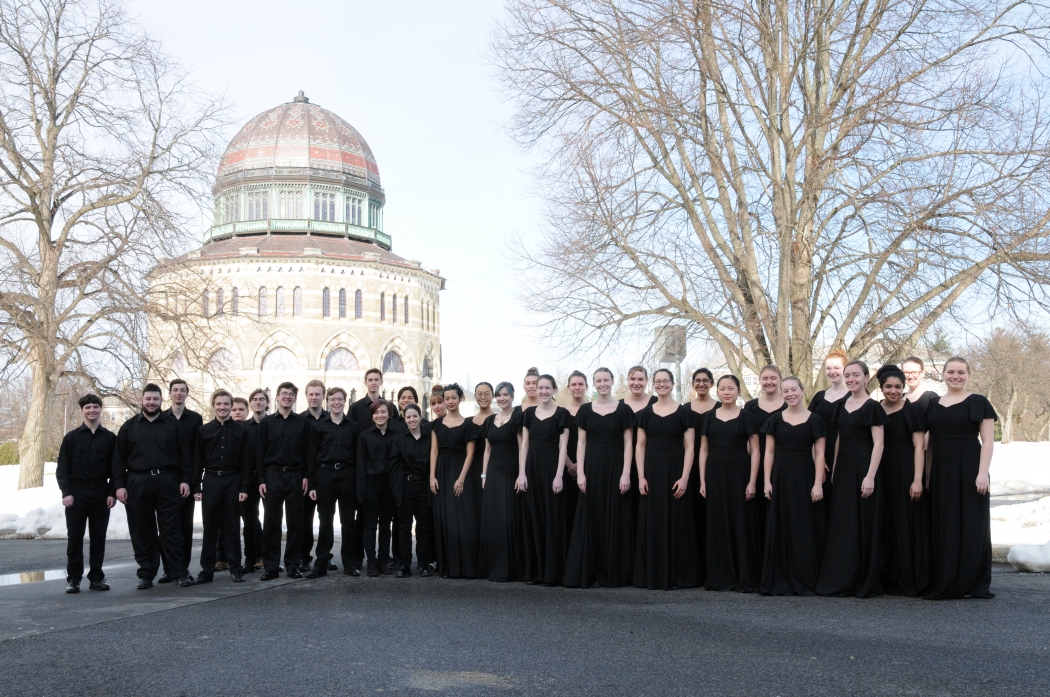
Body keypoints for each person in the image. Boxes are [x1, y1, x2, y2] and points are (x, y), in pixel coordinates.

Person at [924, 357, 996, 600]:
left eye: (961, 372)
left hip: (970, 469)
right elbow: (930, 444)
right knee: (945, 523)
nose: (956, 376)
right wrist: (927, 475)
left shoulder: (979, 402)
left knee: (970, 525)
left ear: (968, 375)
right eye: (951, 372)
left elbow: (987, 440)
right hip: (941, 471)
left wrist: (982, 473)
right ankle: (945, 576)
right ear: (943, 374)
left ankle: (970, 580)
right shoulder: (933, 404)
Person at [817, 360, 888, 598]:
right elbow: (838, 439)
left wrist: (870, 476)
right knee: (844, 522)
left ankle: (863, 578)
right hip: (845, 468)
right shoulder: (841, 405)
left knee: (863, 522)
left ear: (866, 377)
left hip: (864, 467)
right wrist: (836, 468)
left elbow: (879, 443)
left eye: (856, 375)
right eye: (847, 375)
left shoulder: (873, 407)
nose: (850, 379)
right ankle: (843, 575)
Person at [113, 383, 194, 589]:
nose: (151, 402)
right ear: (141, 400)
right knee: (142, 530)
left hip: (168, 482)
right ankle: (146, 574)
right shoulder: (129, 427)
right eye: (148, 399)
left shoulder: (174, 425)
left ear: (161, 401)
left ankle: (179, 572)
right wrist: (119, 486)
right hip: (137, 483)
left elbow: (185, 455)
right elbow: (119, 460)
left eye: (155, 399)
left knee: (172, 530)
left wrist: (185, 480)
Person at [563, 368, 634, 588]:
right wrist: (581, 473)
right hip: (592, 469)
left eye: (606, 380)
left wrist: (625, 473)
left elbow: (629, 443)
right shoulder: (585, 410)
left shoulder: (624, 409)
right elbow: (581, 443)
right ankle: (591, 572)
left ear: (613, 382)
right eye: (598, 380)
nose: (602, 384)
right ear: (593, 384)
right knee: (591, 519)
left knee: (614, 517)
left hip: (615, 468)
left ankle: (613, 573)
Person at [760, 376, 827, 596]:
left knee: (803, 526)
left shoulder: (815, 420)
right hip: (780, 477)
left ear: (802, 390)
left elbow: (819, 454)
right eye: (785, 391)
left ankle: (804, 577)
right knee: (781, 525)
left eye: (793, 390)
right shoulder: (775, 420)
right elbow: (768, 452)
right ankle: (780, 578)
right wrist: (767, 481)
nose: (789, 394)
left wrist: (818, 483)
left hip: (805, 477)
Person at [633, 368, 698, 590]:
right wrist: (641, 477)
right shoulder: (645, 414)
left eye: (665, 381)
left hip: (676, 473)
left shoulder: (684, 413)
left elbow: (690, 447)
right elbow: (640, 446)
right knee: (652, 521)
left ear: (672, 383)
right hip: (651, 473)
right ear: (654, 384)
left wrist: (685, 477)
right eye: (658, 381)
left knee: (677, 521)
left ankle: (678, 575)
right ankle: (652, 574)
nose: (662, 384)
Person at [699, 375, 761, 592]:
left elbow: (755, 451)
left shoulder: (747, 416)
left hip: (740, 473)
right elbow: (703, 450)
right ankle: (719, 577)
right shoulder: (708, 417)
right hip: (715, 474)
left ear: (738, 391)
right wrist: (702, 480)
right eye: (722, 388)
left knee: (740, 522)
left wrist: (752, 481)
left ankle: (742, 576)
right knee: (717, 522)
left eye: (731, 388)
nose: (726, 392)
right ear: (717, 391)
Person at [877, 365, 929, 597]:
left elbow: (920, 447)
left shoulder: (913, 410)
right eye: (888, 386)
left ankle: (906, 577)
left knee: (904, 523)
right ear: (881, 388)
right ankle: (886, 577)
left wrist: (917, 479)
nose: (893, 391)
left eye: (898, 386)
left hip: (905, 471)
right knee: (885, 522)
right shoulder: (876, 409)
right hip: (881, 472)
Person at [58, 394, 117, 593]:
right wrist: (66, 492)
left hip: (101, 491)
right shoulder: (71, 438)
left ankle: (96, 577)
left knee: (98, 537)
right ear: (82, 410)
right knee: (75, 537)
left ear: (101, 409)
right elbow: (63, 468)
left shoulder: (110, 438)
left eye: (95, 407)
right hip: (77, 492)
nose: (92, 410)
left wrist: (112, 492)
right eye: (88, 407)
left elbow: (116, 468)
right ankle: (73, 578)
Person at [192, 390, 251, 584]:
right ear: (213, 405)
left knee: (232, 525)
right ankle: (206, 570)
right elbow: (198, 461)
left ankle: (236, 568)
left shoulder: (241, 431)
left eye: (226, 404)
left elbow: (245, 462)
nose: (222, 407)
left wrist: (244, 487)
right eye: (219, 404)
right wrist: (196, 487)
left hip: (233, 480)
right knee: (210, 527)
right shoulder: (204, 431)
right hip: (211, 480)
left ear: (231, 406)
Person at [518, 374, 571, 585]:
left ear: (554, 390)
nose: (543, 391)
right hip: (531, 470)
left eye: (548, 388)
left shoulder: (562, 414)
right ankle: (536, 572)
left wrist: (559, 475)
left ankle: (552, 574)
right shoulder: (528, 414)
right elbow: (524, 445)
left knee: (552, 520)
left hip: (552, 471)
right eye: (540, 387)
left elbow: (563, 447)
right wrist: (522, 473)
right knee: (534, 519)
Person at [257, 382, 311, 580]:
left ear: (295, 399)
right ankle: (271, 567)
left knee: (296, 522)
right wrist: (261, 479)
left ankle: (292, 565)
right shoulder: (267, 423)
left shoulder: (303, 422)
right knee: (271, 522)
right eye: (284, 394)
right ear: (277, 397)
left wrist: (306, 476)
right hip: (272, 475)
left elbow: (308, 453)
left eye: (291, 394)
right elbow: (260, 453)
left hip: (296, 475)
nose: (287, 397)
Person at [305, 387, 361, 578]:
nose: (336, 403)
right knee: (325, 521)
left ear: (345, 401)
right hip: (325, 476)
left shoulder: (353, 427)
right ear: (327, 402)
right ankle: (320, 564)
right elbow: (311, 456)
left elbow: (358, 457)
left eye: (340, 399)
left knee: (348, 522)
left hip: (347, 475)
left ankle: (350, 565)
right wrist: (312, 484)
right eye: (332, 399)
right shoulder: (318, 426)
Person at [430, 384, 481, 578]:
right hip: (441, 473)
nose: (450, 401)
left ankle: (466, 567)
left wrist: (461, 479)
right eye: (447, 398)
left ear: (460, 399)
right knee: (445, 518)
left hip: (461, 472)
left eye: (453, 398)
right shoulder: (435, 425)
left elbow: (471, 453)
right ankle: (448, 566)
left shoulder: (468, 424)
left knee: (463, 518)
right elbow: (434, 451)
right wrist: (432, 476)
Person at [158, 379, 203, 584]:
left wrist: (194, 482)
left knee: (184, 526)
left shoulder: (195, 419)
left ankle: (183, 569)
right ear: (170, 394)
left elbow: (196, 453)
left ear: (187, 394)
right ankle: (169, 569)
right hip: (166, 479)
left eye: (182, 390)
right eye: (175, 390)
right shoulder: (160, 418)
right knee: (167, 527)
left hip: (186, 479)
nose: (178, 393)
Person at [479, 382, 524, 582]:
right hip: (493, 474)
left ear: (512, 396)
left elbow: (523, 447)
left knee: (508, 518)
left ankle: (510, 568)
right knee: (494, 519)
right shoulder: (490, 420)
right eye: (499, 395)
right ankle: (492, 566)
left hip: (511, 472)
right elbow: (487, 450)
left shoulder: (518, 417)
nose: (502, 398)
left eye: (506, 394)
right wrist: (484, 475)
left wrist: (522, 473)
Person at [743, 365, 786, 553]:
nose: (769, 382)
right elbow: (746, 438)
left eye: (773, 378)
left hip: (783, 464)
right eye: (765, 378)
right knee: (757, 511)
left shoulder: (789, 403)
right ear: (760, 380)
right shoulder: (750, 406)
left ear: (780, 379)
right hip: (756, 464)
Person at [357, 399, 402, 576]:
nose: (380, 415)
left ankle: (383, 560)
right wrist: (360, 490)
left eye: (383, 412)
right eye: (376, 412)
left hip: (389, 485)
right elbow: (360, 464)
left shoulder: (395, 435)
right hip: (370, 484)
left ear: (389, 414)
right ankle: (371, 562)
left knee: (385, 525)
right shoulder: (364, 436)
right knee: (370, 525)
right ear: (372, 415)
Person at [393, 403, 435, 577]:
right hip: (406, 486)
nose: (412, 419)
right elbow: (395, 469)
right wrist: (397, 492)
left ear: (420, 417)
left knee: (423, 527)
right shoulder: (399, 439)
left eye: (414, 416)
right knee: (404, 527)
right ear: (404, 418)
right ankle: (405, 564)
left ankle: (423, 564)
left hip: (424, 486)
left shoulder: (429, 437)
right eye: (408, 417)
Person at [349, 368, 385, 570]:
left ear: (381, 382)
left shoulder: (388, 407)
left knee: (381, 520)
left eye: (376, 380)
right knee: (361, 517)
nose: (373, 383)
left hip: (382, 471)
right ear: (365, 382)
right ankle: (358, 557)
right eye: (370, 380)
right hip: (362, 469)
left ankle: (383, 558)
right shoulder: (355, 408)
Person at [808, 349, 850, 515]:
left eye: (837, 368)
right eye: (828, 368)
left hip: (845, 455)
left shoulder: (854, 396)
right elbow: (809, 428)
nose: (832, 372)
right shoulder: (819, 397)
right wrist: (816, 456)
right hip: (820, 455)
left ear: (845, 370)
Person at [687, 367, 719, 584]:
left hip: (714, 466)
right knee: (692, 515)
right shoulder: (683, 409)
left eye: (705, 380)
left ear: (711, 383)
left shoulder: (720, 407)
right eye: (697, 381)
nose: (701, 384)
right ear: (692, 384)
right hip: (689, 467)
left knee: (712, 516)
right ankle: (694, 566)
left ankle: (712, 566)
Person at [299, 379, 328, 573]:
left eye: (318, 394)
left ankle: (324, 557)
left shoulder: (331, 418)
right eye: (311, 394)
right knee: (305, 519)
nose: (314, 397)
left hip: (326, 477)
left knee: (326, 519)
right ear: (306, 396)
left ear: (323, 396)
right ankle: (304, 557)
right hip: (305, 478)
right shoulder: (300, 420)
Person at [241, 389, 270, 571]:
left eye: (261, 399)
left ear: (267, 403)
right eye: (255, 399)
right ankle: (250, 559)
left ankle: (268, 558)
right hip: (249, 479)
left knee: (271, 521)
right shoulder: (243, 428)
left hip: (270, 479)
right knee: (250, 521)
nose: (258, 402)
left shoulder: (273, 424)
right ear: (250, 404)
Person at [563, 371, 587, 538]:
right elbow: (558, 443)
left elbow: (592, 441)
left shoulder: (592, 410)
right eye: (574, 384)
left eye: (581, 384)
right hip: (565, 468)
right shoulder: (561, 412)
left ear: (586, 386)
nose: (577, 388)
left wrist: (581, 466)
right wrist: (570, 465)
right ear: (568, 387)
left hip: (587, 468)